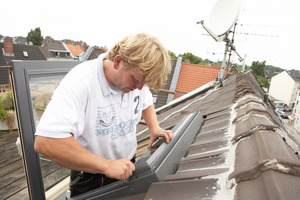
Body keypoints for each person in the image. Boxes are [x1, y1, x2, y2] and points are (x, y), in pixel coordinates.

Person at [34, 33, 173, 197]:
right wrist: (106, 165)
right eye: (136, 80)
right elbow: (46, 142)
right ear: (118, 61)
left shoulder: (135, 81)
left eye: (144, 83)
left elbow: (146, 101)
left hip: (127, 165)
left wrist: (154, 127)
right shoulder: (81, 82)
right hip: (91, 178)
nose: (140, 88)